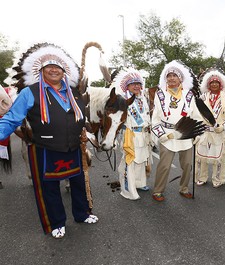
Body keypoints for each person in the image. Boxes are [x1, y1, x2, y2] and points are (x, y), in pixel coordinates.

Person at [0, 43, 98, 239]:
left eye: (58, 67)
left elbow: (81, 116)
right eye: (49, 67)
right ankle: (57, 222)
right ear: (41, 71)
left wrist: (86, 131)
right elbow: (12, 118)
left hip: (73, 147)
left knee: (78, 182)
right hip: (45, 148)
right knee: (49, 188)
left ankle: (82, 214)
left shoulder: (74, 92)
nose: (54, 70)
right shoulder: (30, 92)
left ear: (64, 71)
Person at [151, 60, 203, 202]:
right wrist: (161, 134)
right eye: (169, 75)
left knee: (187, 165)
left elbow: (196, 116)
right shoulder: (160, 95)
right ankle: (158, 191)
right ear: (165, 79)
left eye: (175, 75)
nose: (172, 78)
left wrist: (197, 134)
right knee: (164, 166)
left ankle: (184, 188)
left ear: (180, 78)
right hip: (167, 135)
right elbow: (155, 119)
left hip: (185, 134)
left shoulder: (189, 95)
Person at [114, 69, 152, 200]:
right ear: (127, 86)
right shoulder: (122, 99)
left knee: (141, 159)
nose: (136, 86)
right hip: (129, 133)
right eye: (133, 84)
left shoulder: (143, 98)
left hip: (143, 134)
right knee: (129, 160)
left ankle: (139, 183)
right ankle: (128, 189)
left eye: (138, 83)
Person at [195, 69, 225, 188]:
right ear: (208, 84)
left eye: (216, 83)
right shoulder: (202, 98)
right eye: (212, 82)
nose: (214, 84)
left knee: (219, 157)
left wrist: (223, 127)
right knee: (200, 156)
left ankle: (218, 179)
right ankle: (201, 177)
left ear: (220, 84)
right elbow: (195, 114)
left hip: (218, 132)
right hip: (204, 132)